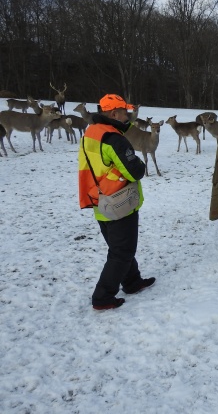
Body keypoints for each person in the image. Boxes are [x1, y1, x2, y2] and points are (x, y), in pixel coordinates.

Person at [78, 94, 155, 311]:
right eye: (124, 112)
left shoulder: (91, 132)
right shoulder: (114, 138)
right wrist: (136, 159)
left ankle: (132, 282)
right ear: (114, 113)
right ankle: (102, 296)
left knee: (119, 247)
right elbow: (137, 170)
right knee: (121, 251)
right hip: (119, 203)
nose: (128, 116)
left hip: (99, 200)